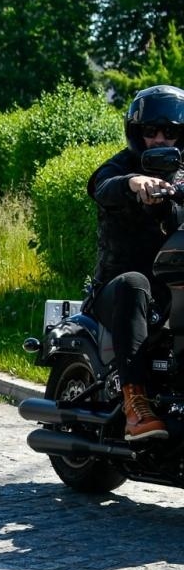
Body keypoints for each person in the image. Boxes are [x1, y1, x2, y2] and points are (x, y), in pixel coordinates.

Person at [85, 84, 184, 441]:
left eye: (170, 132)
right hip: (118, 292)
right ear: (136, 134)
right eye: (151, 131)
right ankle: (135, 404)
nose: (160, 139)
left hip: (171, 291)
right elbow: (100, 185)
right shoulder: (122, 166)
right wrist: (132, 183)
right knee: (134, 283)